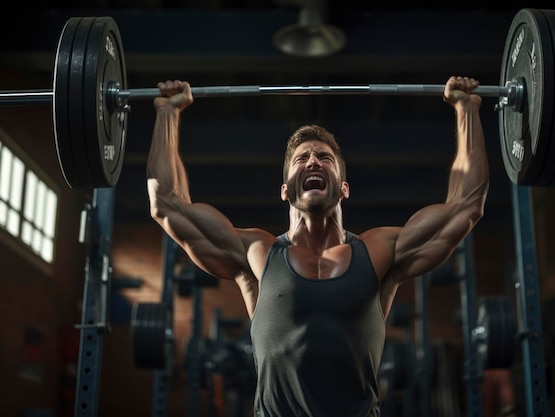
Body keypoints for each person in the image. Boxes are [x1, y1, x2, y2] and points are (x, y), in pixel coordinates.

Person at [146, 76, 489, 417]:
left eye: (324, 158)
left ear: (344, 188)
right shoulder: (256, 253)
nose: (313, 162)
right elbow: (166, 205)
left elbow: (466, 206)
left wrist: (466, 110)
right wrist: (167, 113)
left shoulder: (379, 251)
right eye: (302, 158)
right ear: (285, 190)